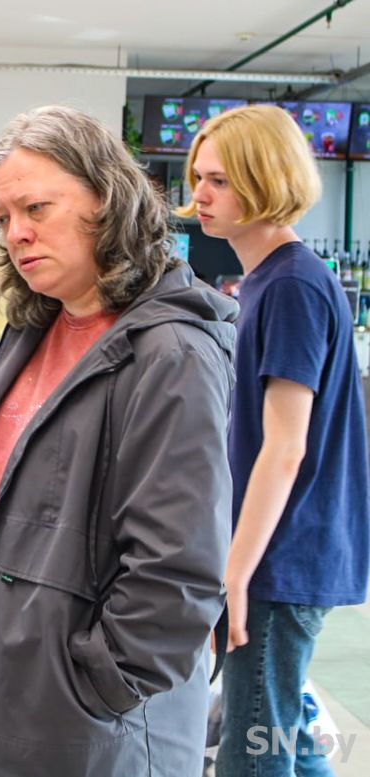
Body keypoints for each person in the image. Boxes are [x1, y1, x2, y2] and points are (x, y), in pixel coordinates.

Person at [0, 105, 236, 776]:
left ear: (108, 200)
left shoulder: (172, 353)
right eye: (3, 217)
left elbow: (177, 571)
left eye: (36, 207)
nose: (16, 233)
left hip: (80, 723)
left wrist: (93, 686)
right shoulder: (35, 326)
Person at [178, 104, 370, 777]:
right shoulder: (267, 281)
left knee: (253, 753)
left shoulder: (290, 285)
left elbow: (285, 446)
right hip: (279, 555)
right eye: (198, 177)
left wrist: (236, 573)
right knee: (279, 738)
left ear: (265, 181)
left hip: (281, 560)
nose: (200, 194)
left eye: (220, 180)